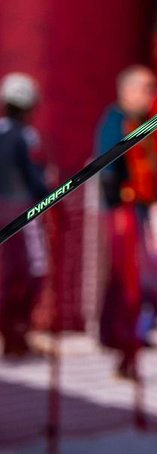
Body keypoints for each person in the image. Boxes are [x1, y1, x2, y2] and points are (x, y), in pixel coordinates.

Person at [94, 65, 157, 416]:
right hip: (123, 211)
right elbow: (108, 164)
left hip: (138, 210)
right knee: (129, 280)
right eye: (145, 88)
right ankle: (124, 346)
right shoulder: (117, 120)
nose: (150, 95)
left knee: (135, 278)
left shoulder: (144, 123)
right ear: (127, 90)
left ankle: (126, 341)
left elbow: (147, 166)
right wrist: (118, 193)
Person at [0, 72, 49, 359]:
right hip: (24, 216)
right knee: (33, 273)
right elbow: (34, 178)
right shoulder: (25, 136)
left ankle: (11, 336)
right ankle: (16, 333)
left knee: (6, 277)